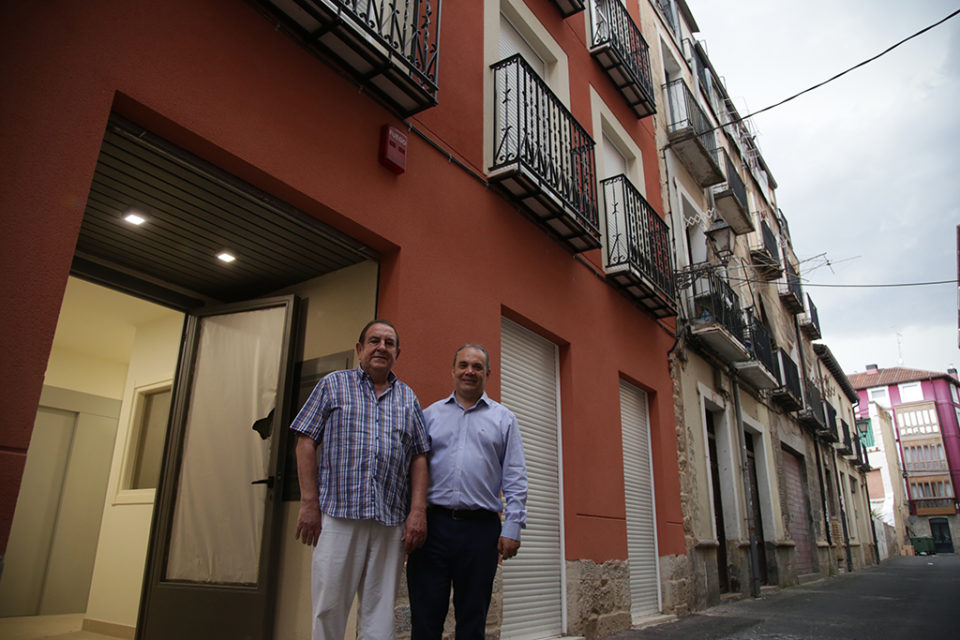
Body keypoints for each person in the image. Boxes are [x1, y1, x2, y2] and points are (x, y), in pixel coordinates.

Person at [290, 319, 430, 640]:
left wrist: (417, 511)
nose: (381, 347)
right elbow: (305, 441)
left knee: (380, 613)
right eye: (374, 341)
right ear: (359, 348)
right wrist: (309, 503)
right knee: (329, 608)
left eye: (389, 343)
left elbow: (419, 457)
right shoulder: (333, 385)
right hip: (339, 515)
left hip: (389, 521)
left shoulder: (408, 398)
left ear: (397, 353)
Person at [406, 344, 528, 639]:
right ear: (453, 370)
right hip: (431, 529)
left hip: (480, 531)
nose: (469, 372)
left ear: (487, 373)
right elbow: (412, 470)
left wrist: (513, 526)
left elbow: (515, 476)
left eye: (477, 367)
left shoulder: (504, 419)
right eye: (463, 365)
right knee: (424, 620)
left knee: (472, 622)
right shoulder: (429, 415)